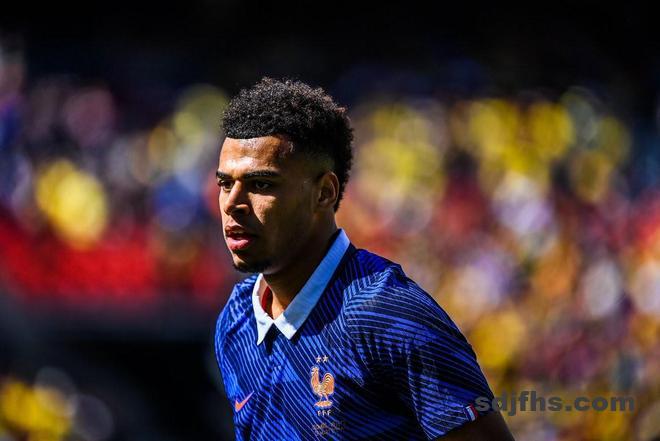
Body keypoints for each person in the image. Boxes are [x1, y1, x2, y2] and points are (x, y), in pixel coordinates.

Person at [214, 78, 514, 440]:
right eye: (225, 184)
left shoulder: (390, 315)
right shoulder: (236, 319)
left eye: (262, 184)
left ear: (324, 193)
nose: (233, 203)